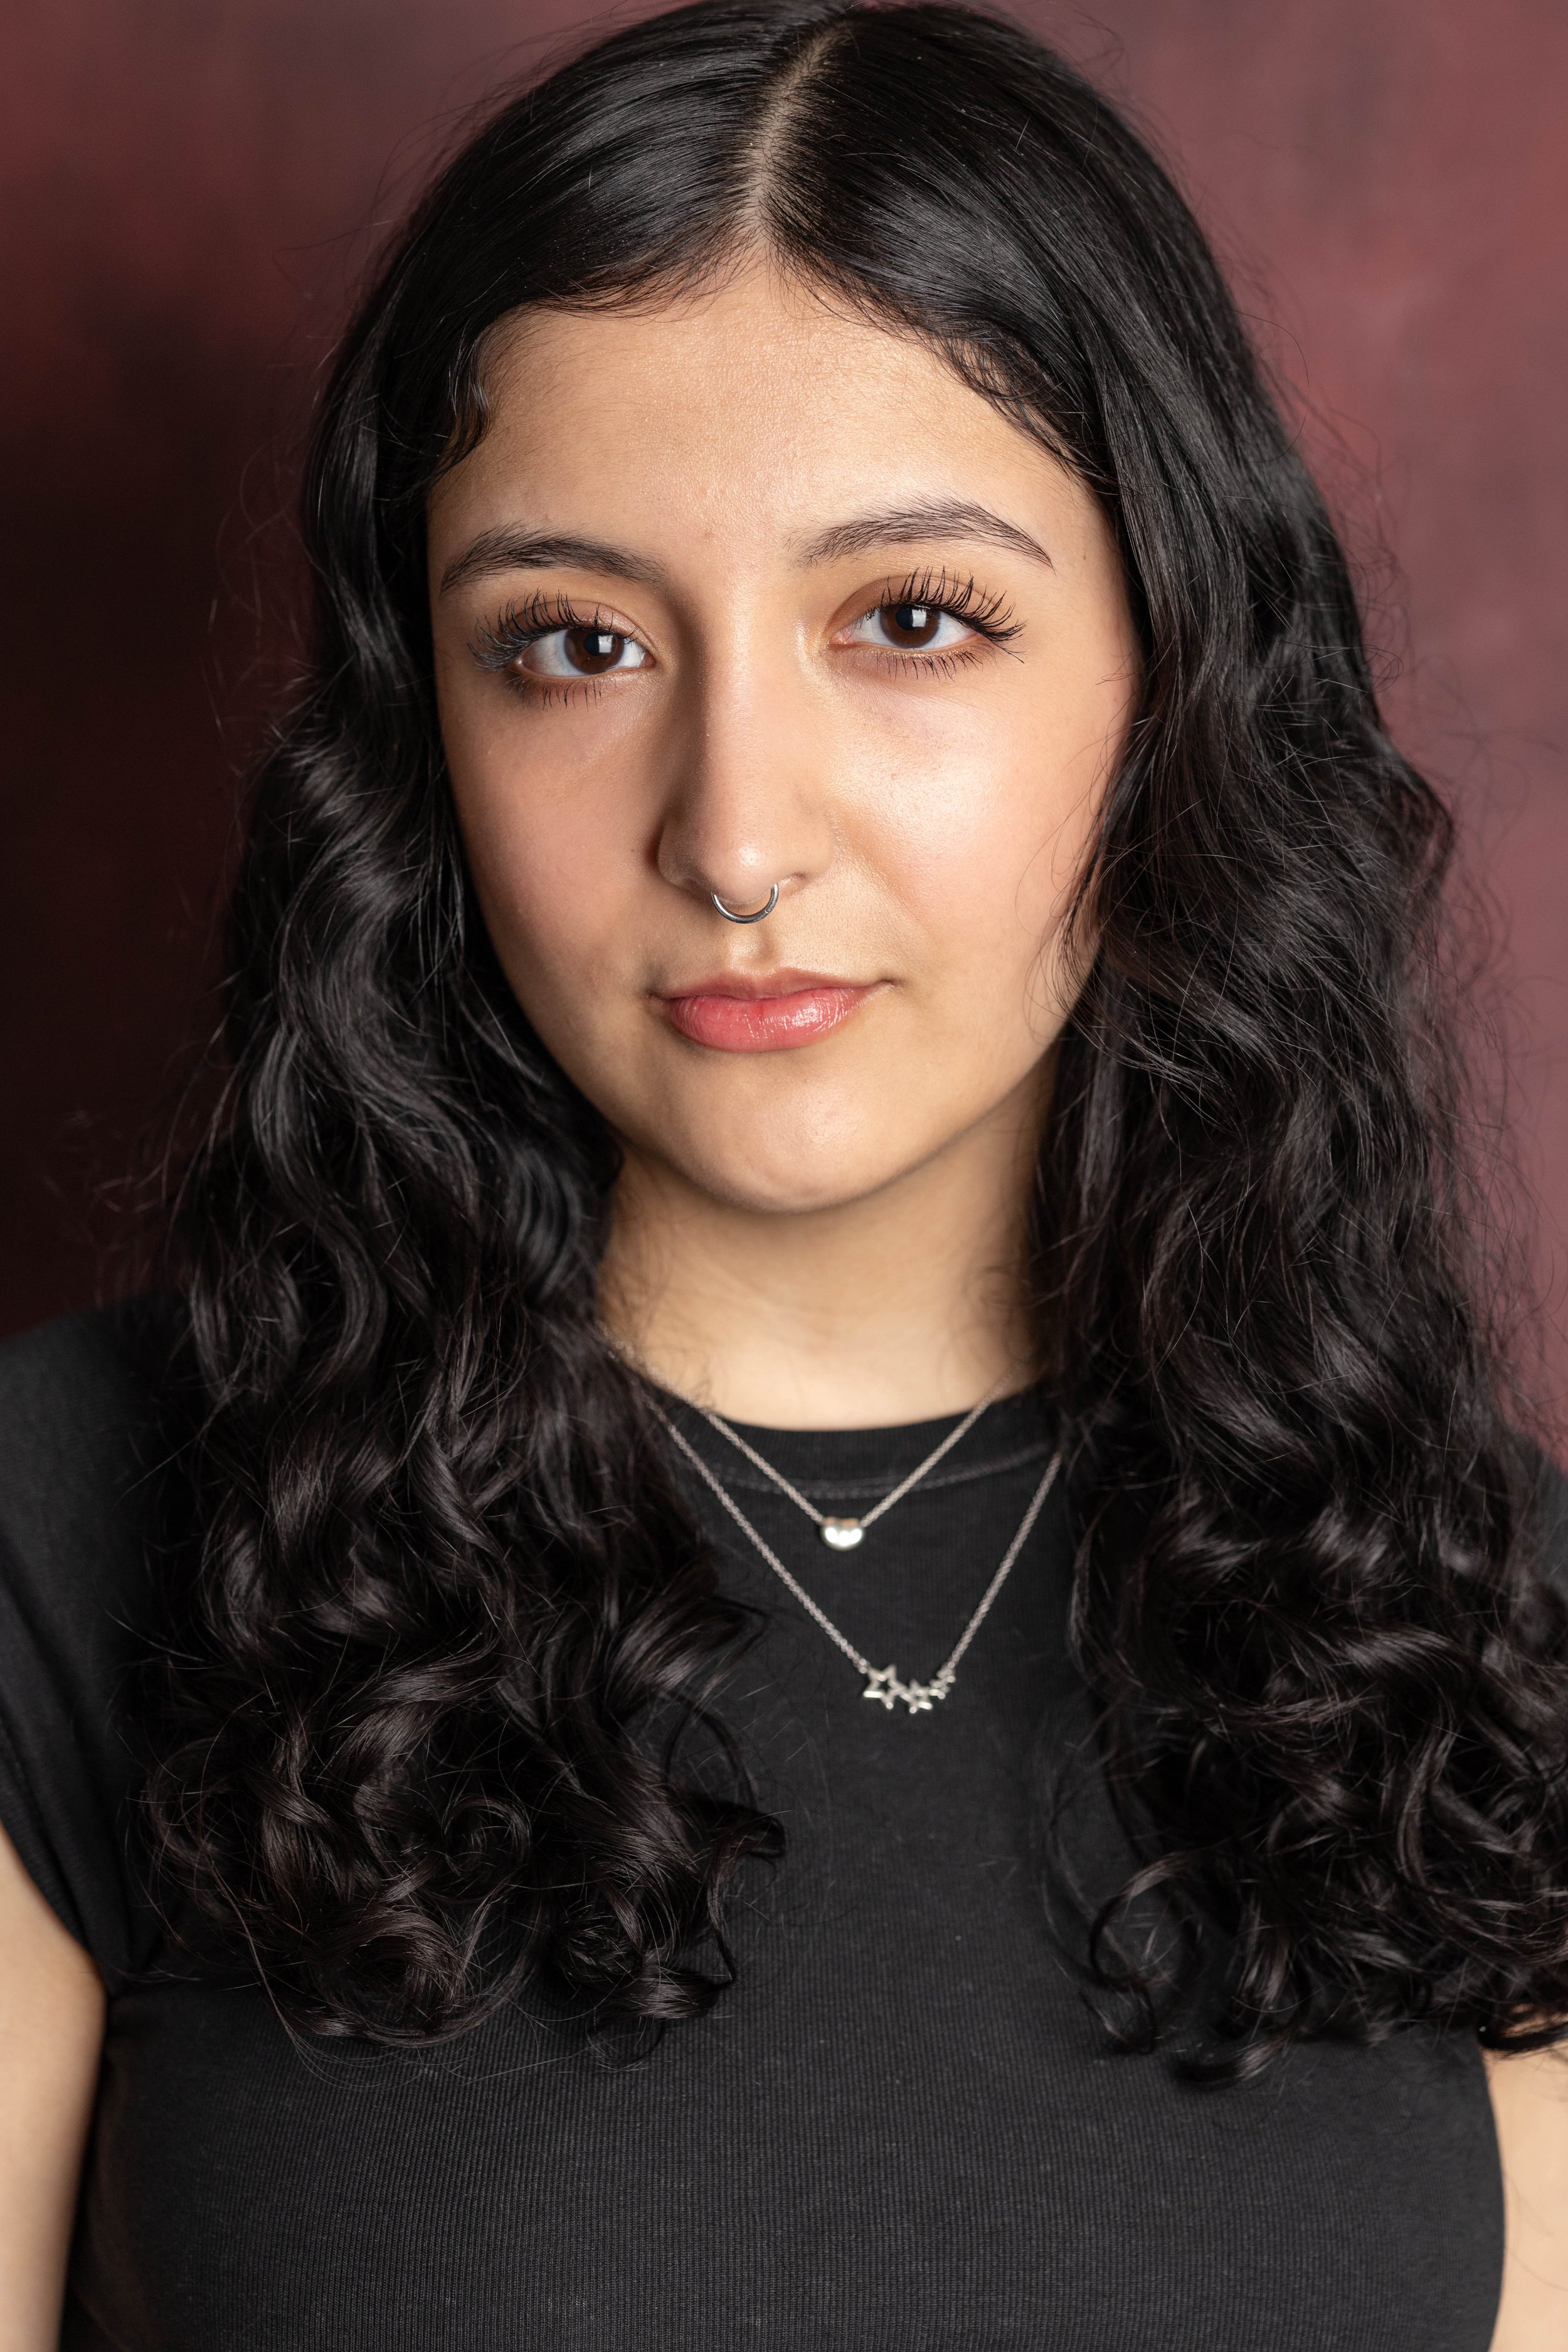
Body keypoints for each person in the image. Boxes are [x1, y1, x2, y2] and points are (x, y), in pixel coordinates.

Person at [3, 2, 1567, 2344]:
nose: (731, 834)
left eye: (911, 622)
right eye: (573, 643)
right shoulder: (62, 1540)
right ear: (417, 733)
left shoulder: (1486, 1613)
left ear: (1178, 678)